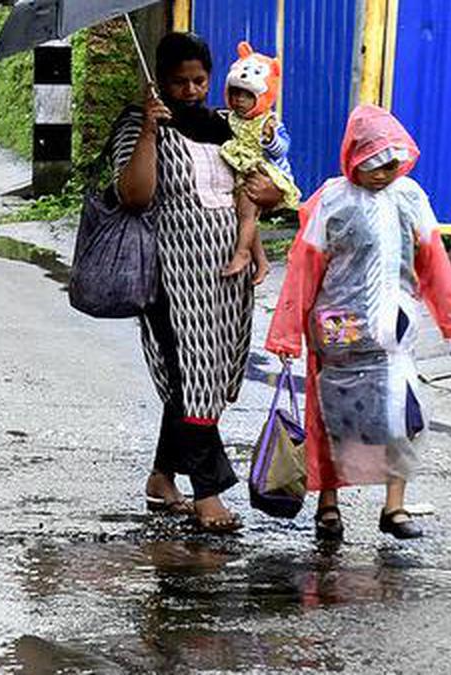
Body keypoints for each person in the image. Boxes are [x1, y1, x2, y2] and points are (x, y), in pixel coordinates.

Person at [265, 104, 451, 540]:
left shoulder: (410, 198)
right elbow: (305, 267)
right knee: (331, 420)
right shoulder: (332, 200)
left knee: (401, 416)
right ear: (353, 157)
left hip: (392, 336)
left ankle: (393, 507)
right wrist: (286, 333)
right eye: (374, 163)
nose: (383, 172)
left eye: (392, 163)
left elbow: (433, 261)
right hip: (339, 332)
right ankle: (328, 505)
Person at [113, 32, 283, 533]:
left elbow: (256, 189)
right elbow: (135, 196)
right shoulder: (138, 124)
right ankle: (208, 492)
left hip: (225, 278)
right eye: (178, 82)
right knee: (191, 375)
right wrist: (148, 128)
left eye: (199, 80)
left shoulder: (224, 127)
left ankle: (162, 478)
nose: (190, 91)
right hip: (169, 277)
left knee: (207, 376)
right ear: (160, 81)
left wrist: (265, 213)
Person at [219, 42, 302, 281]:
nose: (239, 100)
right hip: (243, 171)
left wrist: (270, 138)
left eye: (247, 95)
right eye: (234, 93)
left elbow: (282, 150)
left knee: (246, 211)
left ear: (262, 96)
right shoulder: (230, 119)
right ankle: (262, 262)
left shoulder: (268, 121)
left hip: (266, 172)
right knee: (245, 215)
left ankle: (243, 252)